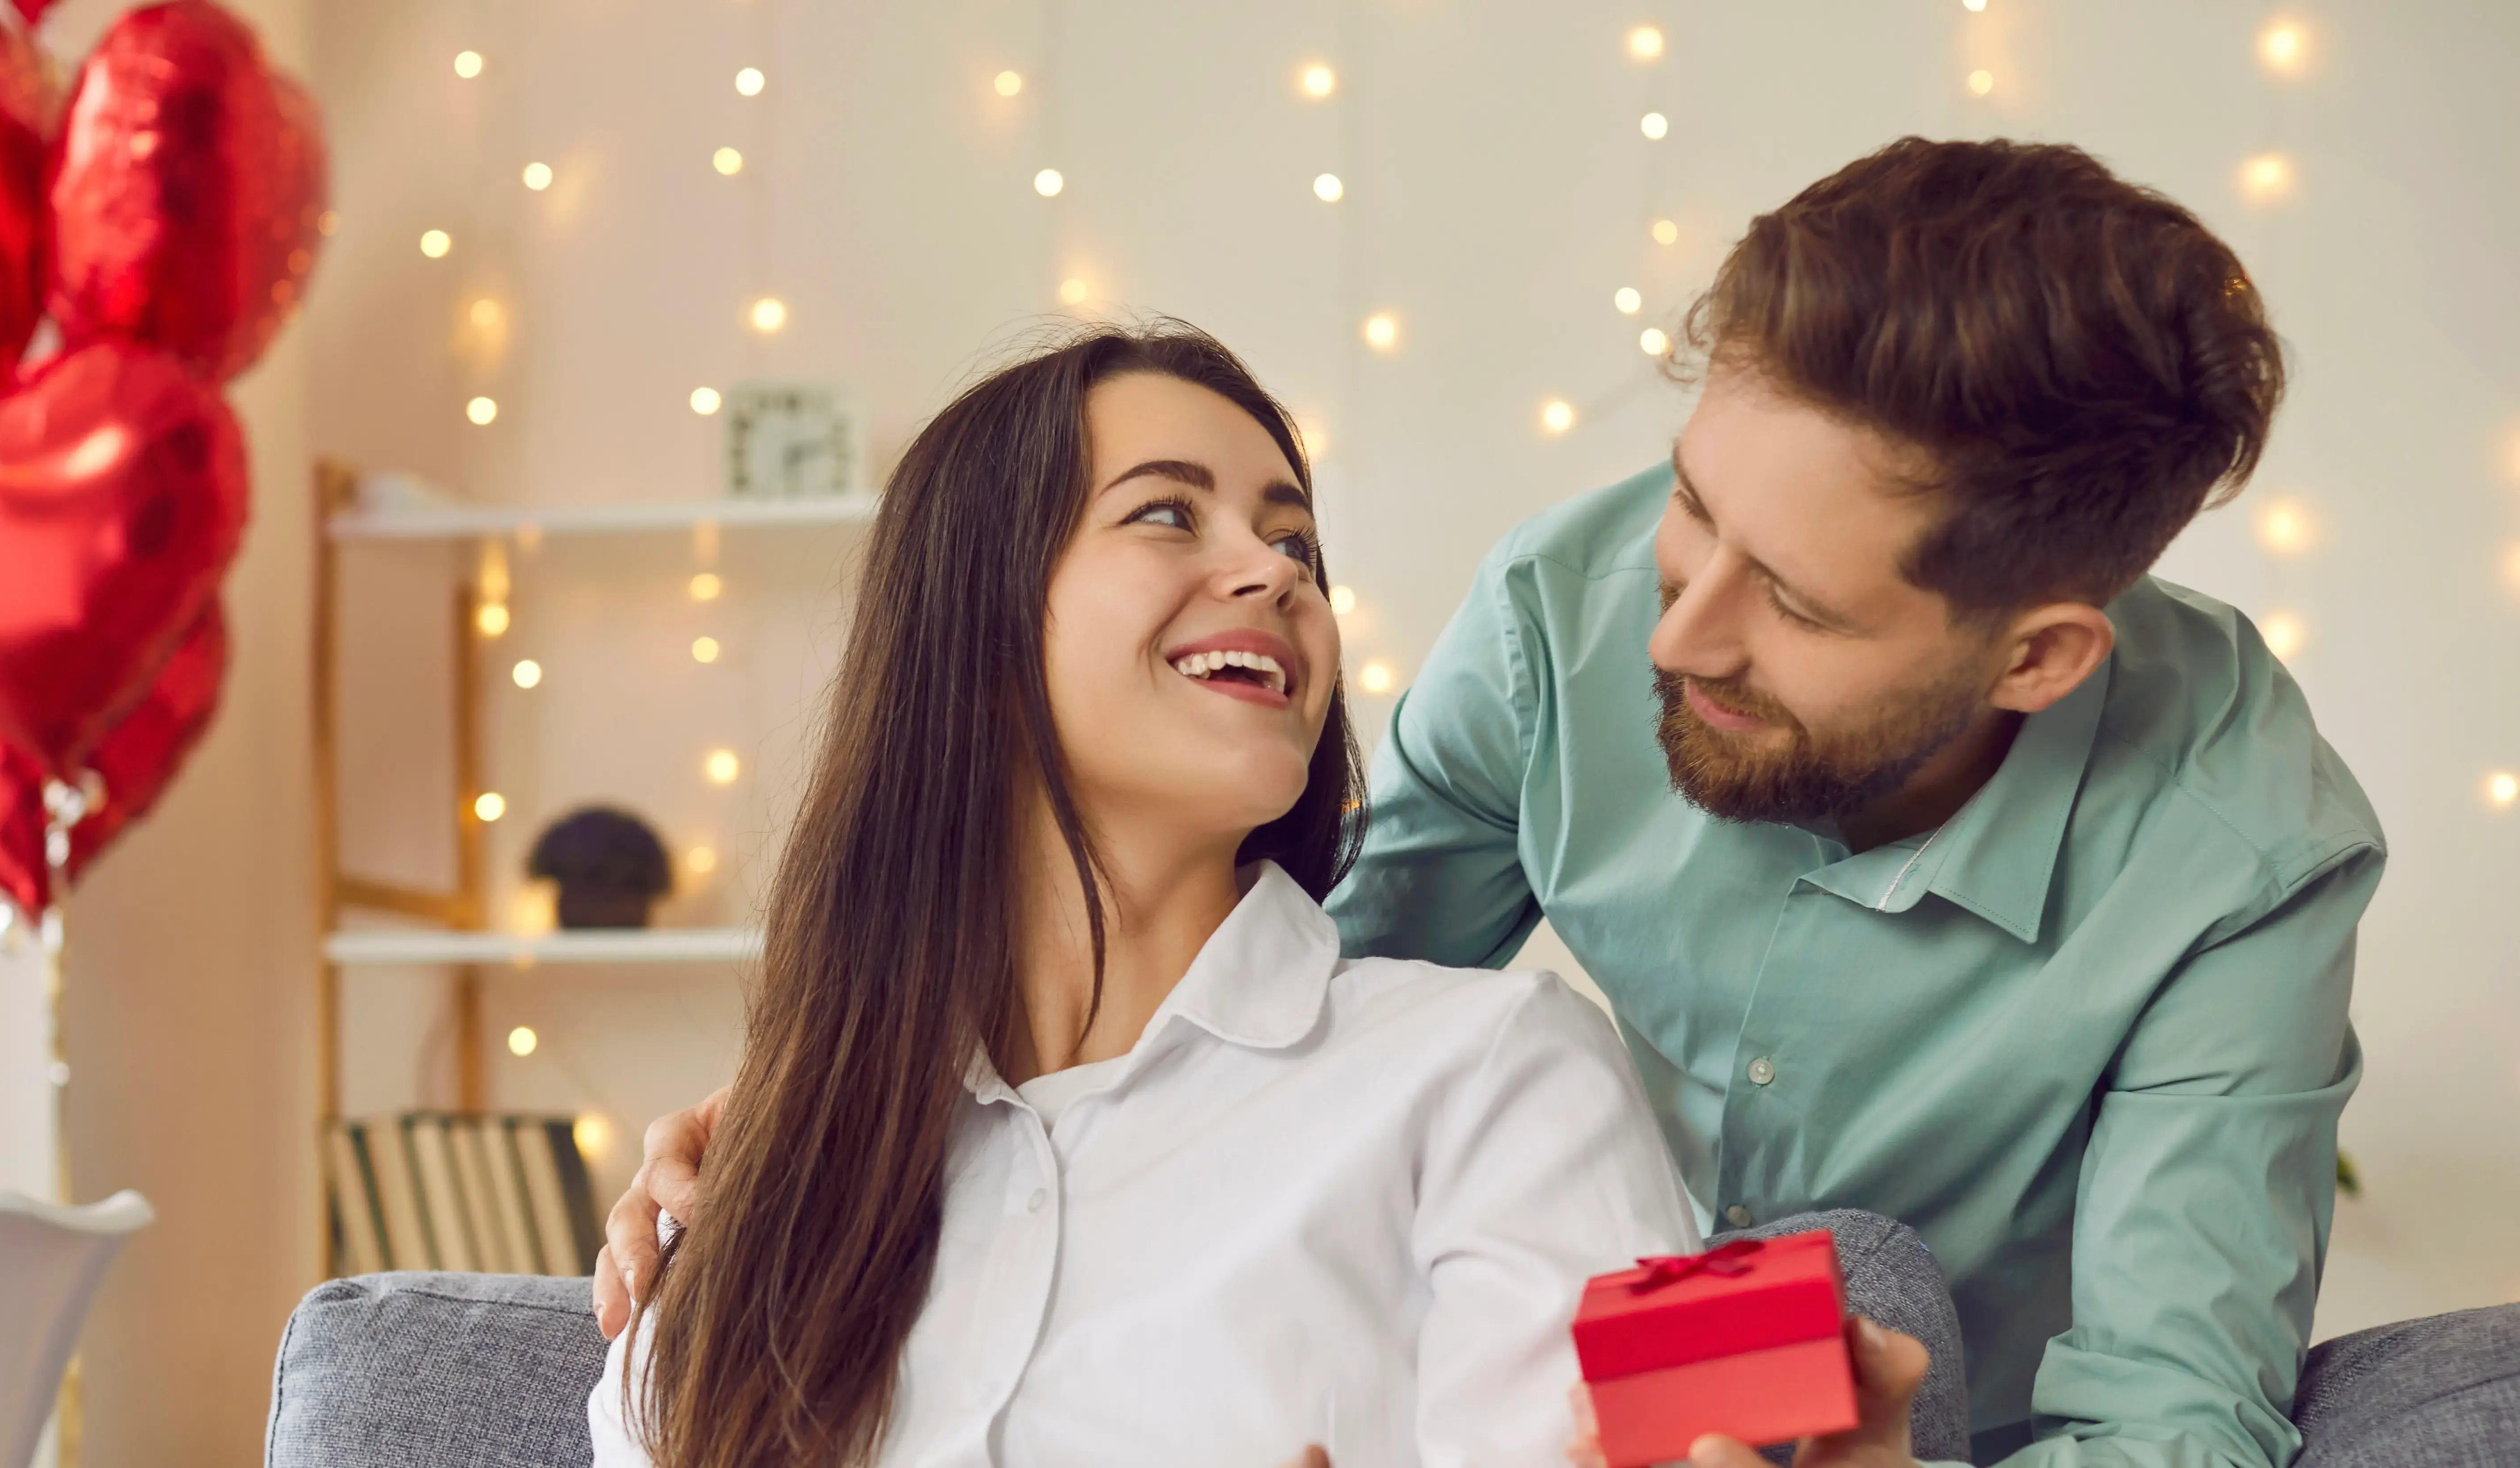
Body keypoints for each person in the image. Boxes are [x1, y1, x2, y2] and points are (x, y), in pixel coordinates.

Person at [600, 140, 2382, 1468]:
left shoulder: (2240, 850)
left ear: (2034, 658)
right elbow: (1246, 1039)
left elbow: (2173, 1423)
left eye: (1799, 603)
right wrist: (842, 1106)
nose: (1674, 628)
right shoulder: (1572, 611)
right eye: (1691, 510)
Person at [586, 323, 1905, 1468]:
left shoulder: (1486, 1075)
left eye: (1293, 540)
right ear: (974, 624)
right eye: (1167, 513)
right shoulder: (762, 1185)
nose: (1277, 572)